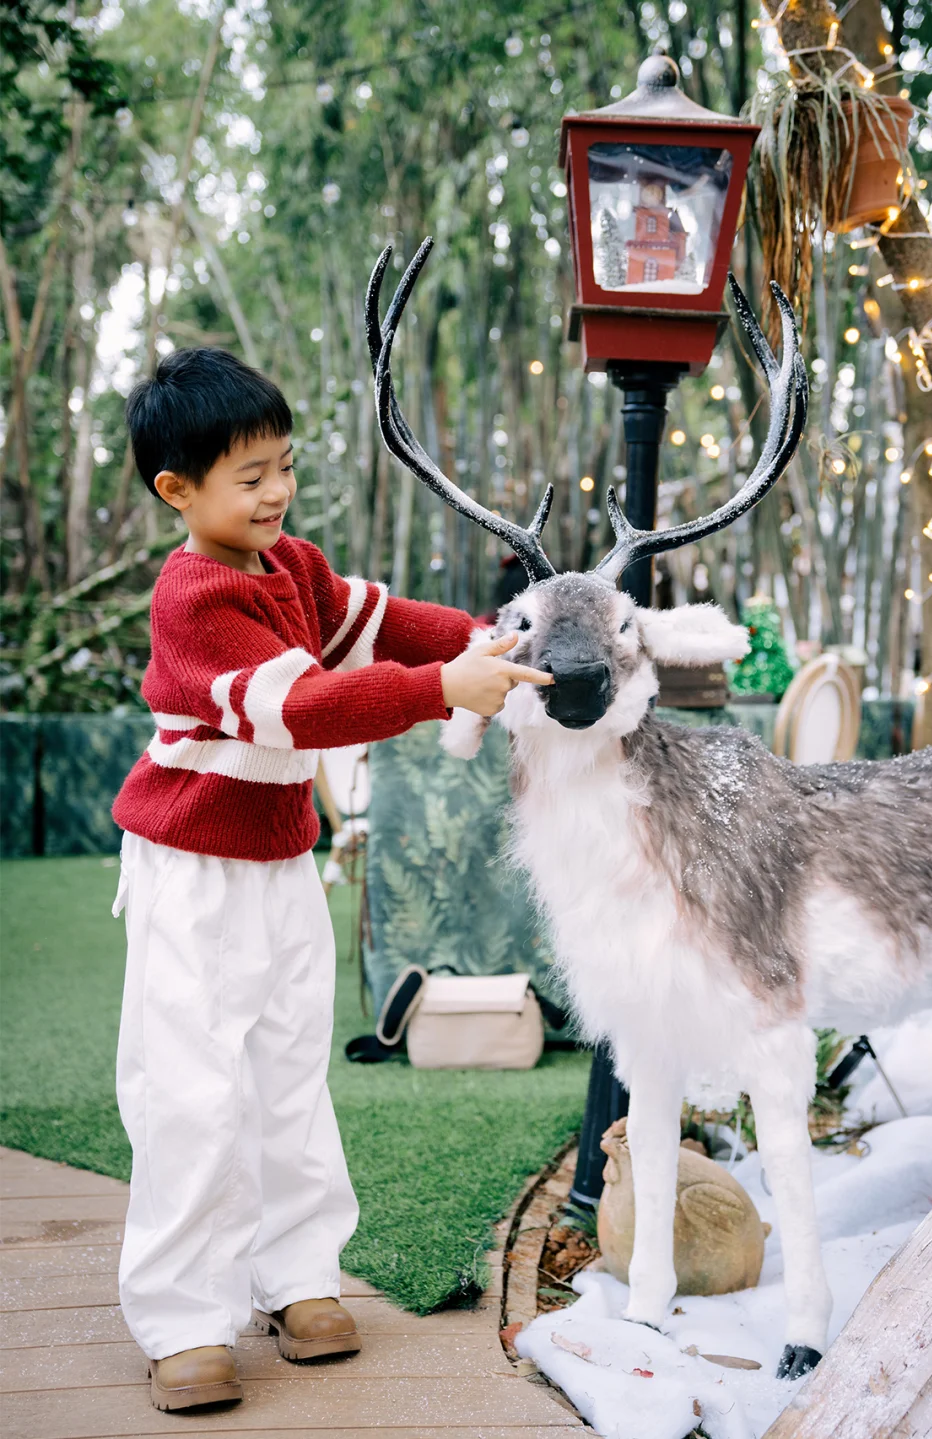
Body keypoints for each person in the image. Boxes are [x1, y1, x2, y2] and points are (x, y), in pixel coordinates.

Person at [110, 348, 551, 1412]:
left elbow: (380, 620)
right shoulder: (194, 598)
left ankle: (297, 1273)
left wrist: (495, 638)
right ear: (178, 489)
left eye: (284, 465)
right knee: (192, 1089)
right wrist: (443, 687)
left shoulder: (291, 567)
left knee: (289, 1071)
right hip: (193, 871)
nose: (277, 490)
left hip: (279, 860)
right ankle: (184, 1318)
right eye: (249, 474)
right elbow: (301, 709)